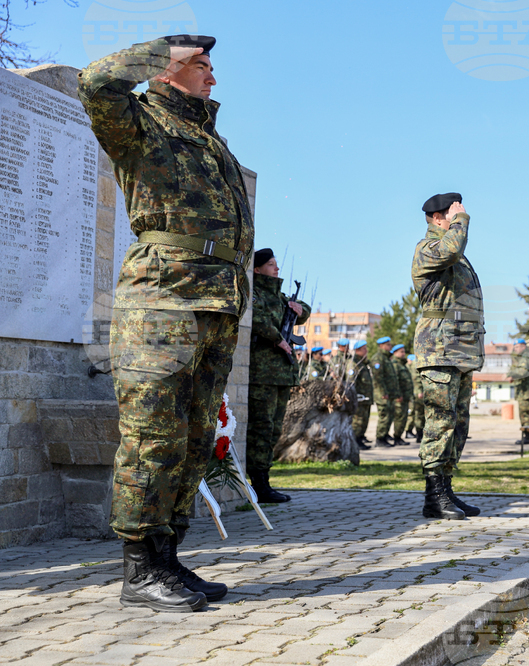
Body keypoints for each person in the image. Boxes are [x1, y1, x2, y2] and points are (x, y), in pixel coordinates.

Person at [79, 34, 253, 611]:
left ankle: (167, 558)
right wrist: (161, 51)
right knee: (152, 435)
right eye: (200, 66)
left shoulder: (209, 137)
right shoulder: (139, 124)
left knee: (194, 436)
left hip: (214, 303)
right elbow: (95, 82)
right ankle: (137, 570)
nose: (212, 77)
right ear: (169, 71)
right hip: (162, 301)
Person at [412, 193, 486, 520]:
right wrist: (462, 222)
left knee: (457, 423)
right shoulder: (427, 249)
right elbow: (452, 248)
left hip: (460, 348)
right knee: (440, 420)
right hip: (438, 347)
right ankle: (434, 496)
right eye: (454, 214)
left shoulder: (456, 253)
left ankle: (446, 488)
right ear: (439, 217)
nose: (460, 217)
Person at [247, 249, 310, 504]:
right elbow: (257, 319)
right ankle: (259, 484)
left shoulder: (280, 297)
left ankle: (265, 480)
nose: (276, 269)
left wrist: (299, 309)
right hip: (262, 373)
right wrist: (277, 339)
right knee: (261, 429)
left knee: (273, 430)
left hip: (282, 374)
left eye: (276, 265)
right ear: (257, 269)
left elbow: (304, 308)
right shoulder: (255, 293)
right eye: (271, 265)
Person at [371, 336, 400, 447]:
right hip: (382, 394)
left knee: (389, 415)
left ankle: (384, 435)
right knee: (384, 416)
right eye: (388, 345)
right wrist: (383, 392)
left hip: (389, 394)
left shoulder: (386, 358)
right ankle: (380, 439)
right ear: (381, 346)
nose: (390, 346)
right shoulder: (378, 358)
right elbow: (378, 378)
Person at [508, 339, 529, 444]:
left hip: (526, 390)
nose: (515, 349)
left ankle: (528, 437)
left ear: (523, 346)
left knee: (525, 414)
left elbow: (523, 371)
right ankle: (526, 436)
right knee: (523, 414)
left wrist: (512, 375)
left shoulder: (526, 357)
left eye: (517, 347)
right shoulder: (522, 358)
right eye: (514, 347)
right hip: (523, 390)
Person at [347, 341, 373, 450]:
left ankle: (360, 439)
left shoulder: (362, 363)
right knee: (357, 422)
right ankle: (355, 441)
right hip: (359, 399)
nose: (366, 351)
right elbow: (351, 383)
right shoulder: (354, 364)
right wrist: (354, 397)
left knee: (364, 420)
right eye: (364, 349)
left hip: (365, 399)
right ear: (357, 350)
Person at [391, 344, 413, 446]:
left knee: (403, 417)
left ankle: (399, 437)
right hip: (399, 397)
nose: (403, 354)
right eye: (401, 352)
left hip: (405, 396)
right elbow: (394, 382)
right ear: (395, 353)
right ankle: (397, 437)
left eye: (404, 351)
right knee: (399, 417)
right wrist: (398, 395)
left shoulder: (402, 364)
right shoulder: (395, 364)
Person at [405, 354, 426, 442]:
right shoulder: (416, 362)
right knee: (419, 414)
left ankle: (420, 434)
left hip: (422, 391)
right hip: (419, 393)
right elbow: (416, 378)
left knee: (421, 414)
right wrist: (419, 391)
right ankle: (419, 434)